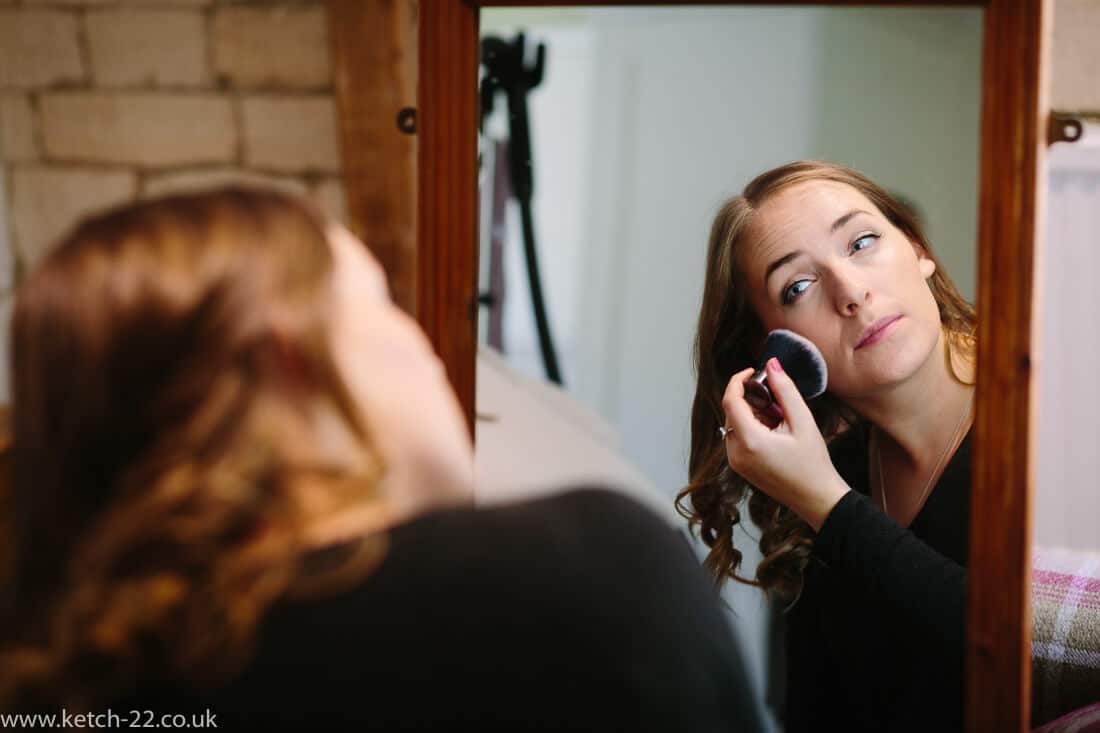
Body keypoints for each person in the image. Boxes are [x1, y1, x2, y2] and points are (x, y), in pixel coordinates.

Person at [0, 188, 767, 730]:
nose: (422, 343)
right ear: (292, 354)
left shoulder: (69, 680)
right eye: (380, 303)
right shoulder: (594, 578)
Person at [677, 160, 976, 731]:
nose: (851, 291)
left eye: (862, 242)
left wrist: (830, 506)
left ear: (917, 249)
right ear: (773, 351)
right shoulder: (824, 481)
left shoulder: (1050, 411)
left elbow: (1031, 653)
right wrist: (823, 498)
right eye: (798, 287)